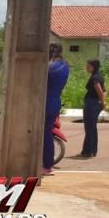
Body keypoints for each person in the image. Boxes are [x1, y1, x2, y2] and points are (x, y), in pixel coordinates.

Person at [43, 43, 70, 175]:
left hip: (45, 102)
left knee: (43, 134)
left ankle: (45, 165)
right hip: (56, 101)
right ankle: (47, 165)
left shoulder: (49, 66)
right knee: (47, 133)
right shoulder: (65, 66)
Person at [80, 59, 107, 158]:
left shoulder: (95, 78)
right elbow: (105, 90)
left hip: (92, 104)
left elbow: (100, 91)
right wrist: (102, 101)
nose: (87, 68)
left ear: (93, 66)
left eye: (88, 66)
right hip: (95, 103)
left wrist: (102, 102)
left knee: (89, 128)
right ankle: (93, 150)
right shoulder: (99, 76)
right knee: (92, 127)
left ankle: (88, 151)